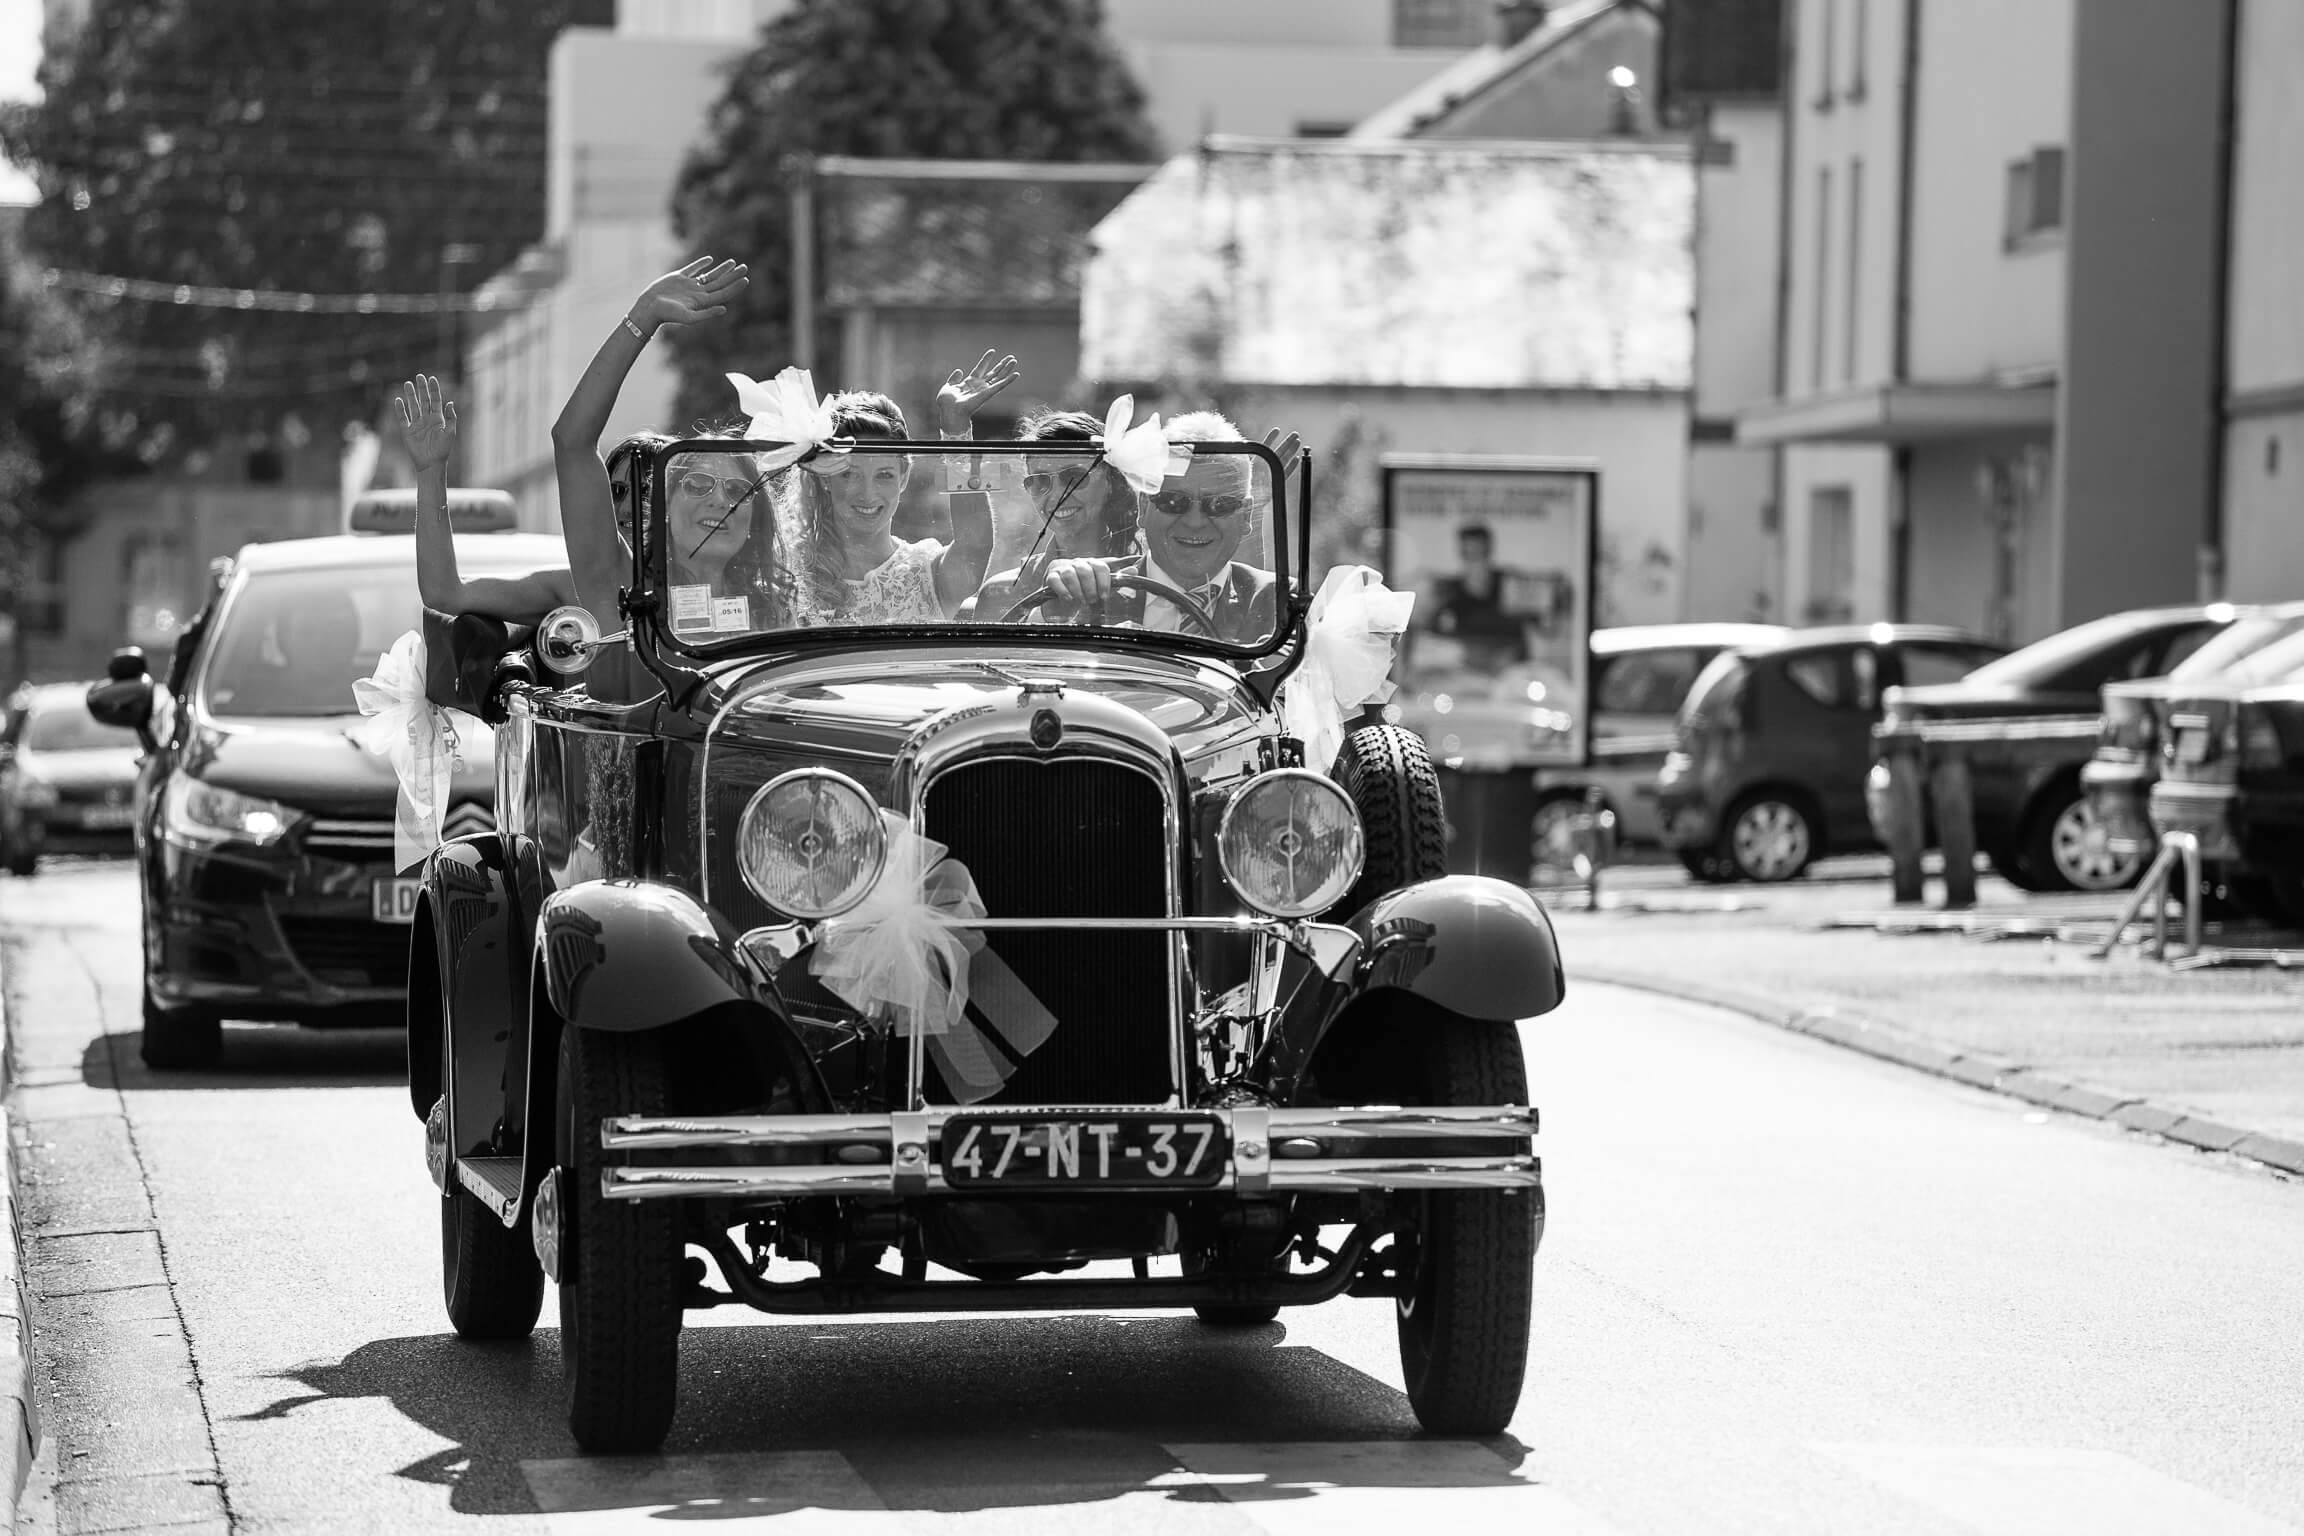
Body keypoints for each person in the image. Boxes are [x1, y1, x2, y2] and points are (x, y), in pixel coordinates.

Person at [1030, 411, 1300, 644]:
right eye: (1174, 502)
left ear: (1246, 517)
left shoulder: (1279, 604)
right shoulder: (1093, 589)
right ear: (1144, 507)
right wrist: (1053, 611)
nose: (1195, 521)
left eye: (1220, 505)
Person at [790, 370, 1008, 624]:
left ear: (903, 478)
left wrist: (956, 428)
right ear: (825, 477)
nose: (868, 494)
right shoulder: (792, 575)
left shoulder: (927, 572)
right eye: (850, 475)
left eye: (884, 475)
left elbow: (975, 546)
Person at [402, 374, 577, 622]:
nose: (630, 507)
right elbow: (444, 594)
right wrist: (430, 471)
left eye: (646, 490)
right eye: (618, 490)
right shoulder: (573, 590)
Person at [961, 406, 1141, 621]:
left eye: (1074, 476)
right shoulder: (1000, 594)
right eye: (1040, 481)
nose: (1056, 496)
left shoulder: (1145, 577)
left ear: (1111, 481)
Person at [1419, 522, 1531, 672]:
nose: (1476, 562)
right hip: (1463, 674)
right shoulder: (1448, 593)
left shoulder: (1510, 586)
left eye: (1480, 553)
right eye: (1469, 555)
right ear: (1461, 554)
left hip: (1510, 672)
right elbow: (1432, 641)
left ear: (1489, 551)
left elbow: (1542, 627)